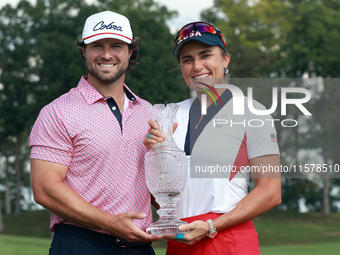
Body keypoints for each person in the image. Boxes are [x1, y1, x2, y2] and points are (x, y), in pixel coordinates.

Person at [144, 21, 281, 255]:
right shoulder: (169, 115)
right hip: (179, 239)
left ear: (225, 59)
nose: (197, 66)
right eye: (187, 60)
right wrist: (154, 156)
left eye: (206, 55)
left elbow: (270, 191)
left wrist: (210, 226)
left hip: (226, 238)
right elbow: (161, 195)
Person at [29, 11, 160, 255]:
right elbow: (44, 188)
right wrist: (109, 223)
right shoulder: (58, 112)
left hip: (141, 247)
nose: (107, 54)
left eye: (116, 46)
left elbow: (158, 192)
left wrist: (163, 158)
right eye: (97, 45)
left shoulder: (149, 112)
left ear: (130, 52)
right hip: (82, 244)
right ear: (84, 51)